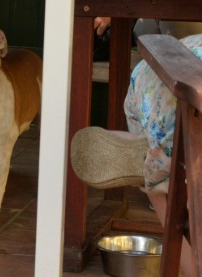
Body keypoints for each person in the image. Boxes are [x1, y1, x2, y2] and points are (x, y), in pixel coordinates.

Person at [72, 29, 202, 275]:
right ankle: (150, 162)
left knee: (169, 190)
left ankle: (149, 163)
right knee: (178, 188)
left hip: (152, 75)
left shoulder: (141, 100)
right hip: (173, 99)